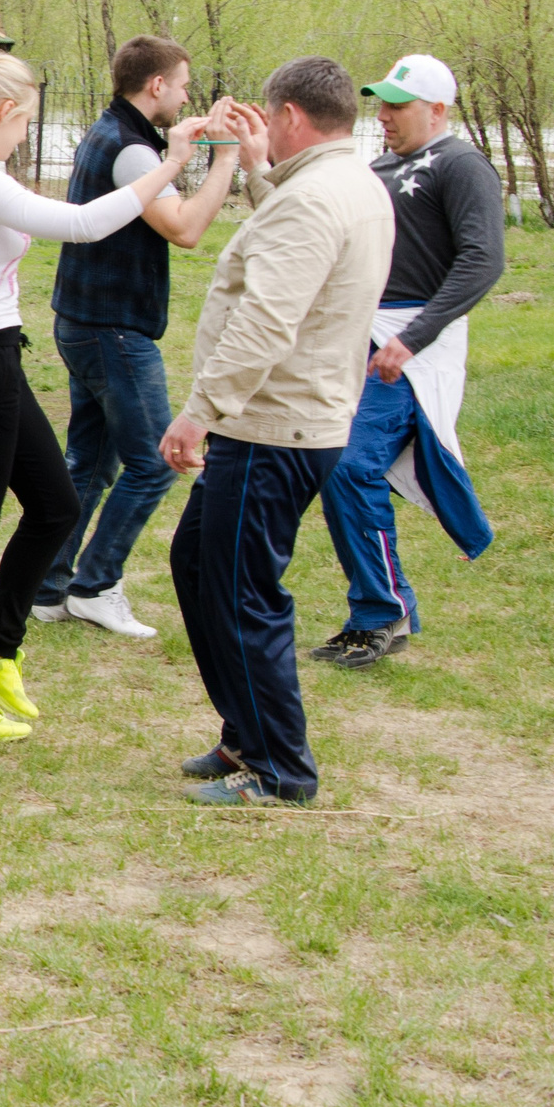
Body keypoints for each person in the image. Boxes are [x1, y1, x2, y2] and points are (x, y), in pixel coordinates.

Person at [0, 55, 212, 742]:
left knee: (57, 507)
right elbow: (82, 225)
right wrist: (170, 166)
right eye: (25, 120)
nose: (26, 134)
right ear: (2, 114)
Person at [161, 57, 394, 806]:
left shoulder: (314, 199)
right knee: (198, 563)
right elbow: (295, 240)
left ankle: (280, 769)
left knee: (241, 591)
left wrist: (200, 413)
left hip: (273, 429)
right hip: (293, 421)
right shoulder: (345, 184)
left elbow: (266, 319)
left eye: (270, 119)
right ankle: (245, 734)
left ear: (290, 115)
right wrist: (259, 168)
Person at [32, 36, 246, 640]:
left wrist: (189, 151)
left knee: (91, 464)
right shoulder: (131, 150)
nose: (184, 96)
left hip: (85, 321)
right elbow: (185, 229)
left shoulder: (118, 133)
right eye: (181, 84)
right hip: (112, 331)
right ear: (155, 86)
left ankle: (47, 589)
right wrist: (225, 158)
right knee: (155, 462)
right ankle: (95, 586)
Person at [313, 54, 504, 669]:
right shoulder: (381, 164)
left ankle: (381, 611)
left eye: (398, 104)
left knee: (348, 463)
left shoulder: (462, 164)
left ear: (438, 109)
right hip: (361, 334)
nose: (385, 114)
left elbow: (482, 260)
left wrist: (413, 337)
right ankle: (377, 606)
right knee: (325, 458)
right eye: (382, 102)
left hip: (410, 346)